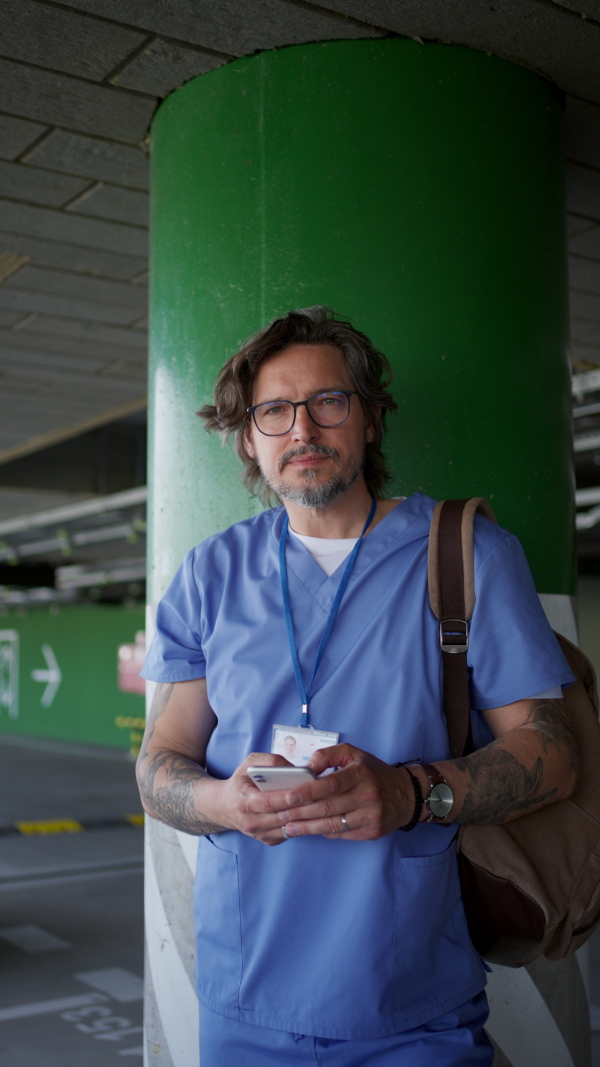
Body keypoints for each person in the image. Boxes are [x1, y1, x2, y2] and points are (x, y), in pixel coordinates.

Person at [138, 306, 576, 1067]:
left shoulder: (466, 556)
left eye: (327, 402)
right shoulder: (210, 575)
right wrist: (219, 802)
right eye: (274, 410)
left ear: (370, 419)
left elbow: (553, 752)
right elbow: (159, 763)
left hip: (411, 1005)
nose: (301, 429)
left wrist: (414, 793)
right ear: (249, 437)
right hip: (245, 999)